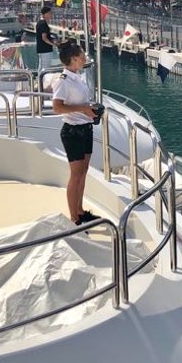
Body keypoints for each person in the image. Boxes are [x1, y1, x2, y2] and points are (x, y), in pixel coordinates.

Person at [51, 41, 99, 225]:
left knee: (84, 172)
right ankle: (74, 218)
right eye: (82, 56)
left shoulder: (77, 77)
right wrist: (84, 109)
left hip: (85, 128)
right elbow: (57, 107)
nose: (85, 58)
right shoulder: (63, 81)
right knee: (76, 175)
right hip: (73, 131)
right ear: (73, 59)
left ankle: (80, 211)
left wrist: (89, 110)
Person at [36, 7, 57, 73]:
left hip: (42, 49)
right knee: (46, 68)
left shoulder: (40, 23)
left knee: (42, 67)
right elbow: (44, 38)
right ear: (45, 14)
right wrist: (53, 44)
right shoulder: (43, 24)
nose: (51, 15)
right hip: (45, 49)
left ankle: (40, 81)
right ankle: (42, 81)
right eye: (49, 13)